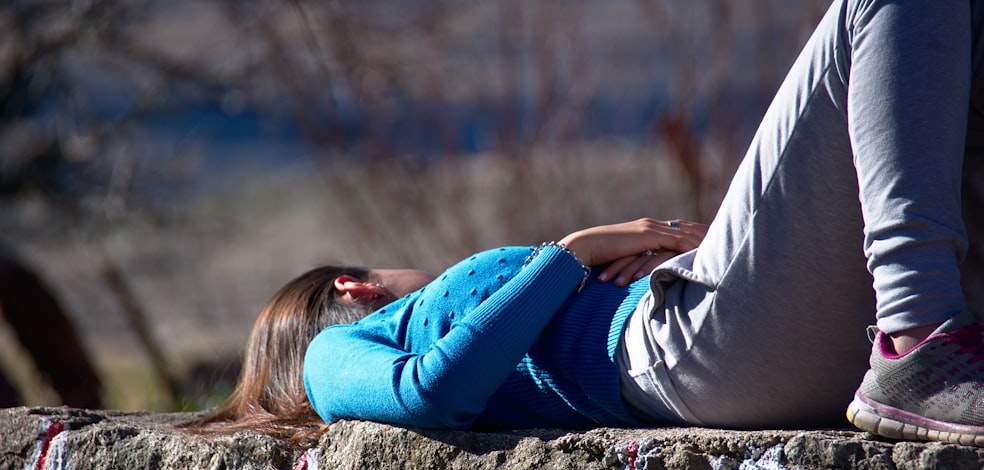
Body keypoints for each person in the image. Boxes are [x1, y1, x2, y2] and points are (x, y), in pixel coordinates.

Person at [192, 0, 984, 446]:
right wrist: (568, 255)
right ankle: (917, 339)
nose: (409, 272)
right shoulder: (337, 354)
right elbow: (432, 392)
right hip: (688, 353)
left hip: (730, 343)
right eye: (385, 271)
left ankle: (921, 332)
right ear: (354, 285)